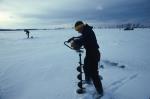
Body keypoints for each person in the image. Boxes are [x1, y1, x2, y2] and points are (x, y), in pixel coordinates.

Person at [71, 21, 103, 96]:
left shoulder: (88, 32)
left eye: (78, 30)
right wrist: (74, 38)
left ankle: (100, 92)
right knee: (85, 67)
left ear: (81, 27)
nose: (78, 32)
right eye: (76, 30)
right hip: (89, 53)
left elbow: (83, 39)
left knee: (94, 73)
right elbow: (82, 37)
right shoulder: (86, 31)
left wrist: (76, 42)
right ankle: (88, 80)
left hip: (94, 54)